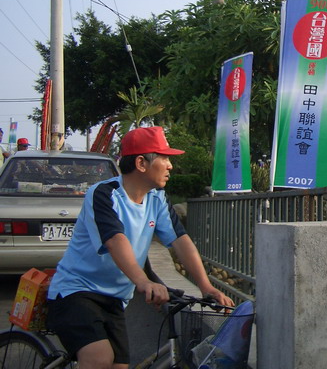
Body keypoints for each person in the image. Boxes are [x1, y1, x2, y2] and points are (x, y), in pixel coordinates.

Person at [46, 126, 234, 369]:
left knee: (120, 366)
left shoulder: (157, 198)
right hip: (77, 291)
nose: (170, 166)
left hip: (115, 298)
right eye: (164, 158)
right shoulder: (104, 194)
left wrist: (205, 286)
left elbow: (180, 240)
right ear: (141, 163)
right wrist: (144, 282)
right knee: (99, 358)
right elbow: (115, 240)